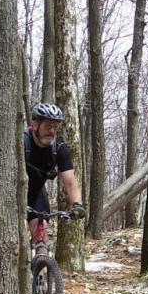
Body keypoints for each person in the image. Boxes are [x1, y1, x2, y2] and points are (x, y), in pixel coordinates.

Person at [25, 103, 85, 255]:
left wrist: (77, 205)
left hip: (36, 193)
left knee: (42, 238)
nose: (52, 131)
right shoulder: (22, 142)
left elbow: (70, 182)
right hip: (12, 193)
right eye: (48, 126)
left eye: (55, 127)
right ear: (36, 124)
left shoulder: (58, 148)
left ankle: (41, 274)